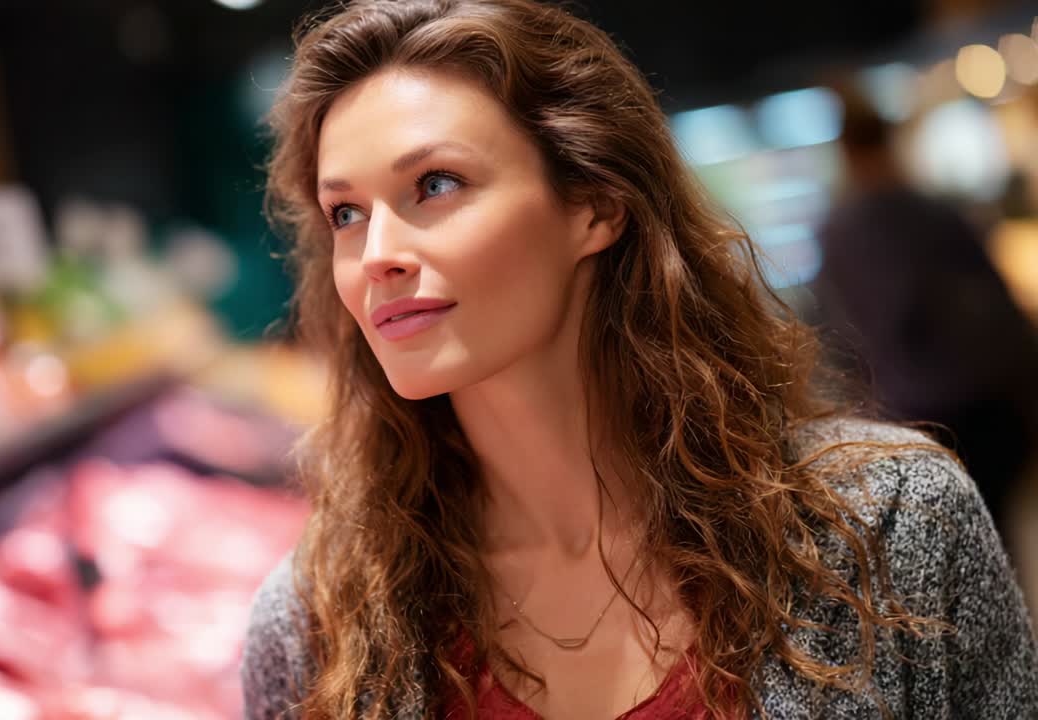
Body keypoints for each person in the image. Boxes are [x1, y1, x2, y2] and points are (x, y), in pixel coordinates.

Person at [243, 1, 1038, 717]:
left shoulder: (893, 526)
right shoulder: (318, 622)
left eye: (436, 184)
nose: (377, 252)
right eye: (344, 212)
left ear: (596, 204)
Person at [812, 88, 1038, 531]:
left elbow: (837, 339)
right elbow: (999, 304)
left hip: (908, 420)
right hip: (982, 403)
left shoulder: (838, 233)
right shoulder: (934, 212)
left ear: (846, 150)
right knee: (996, 536)